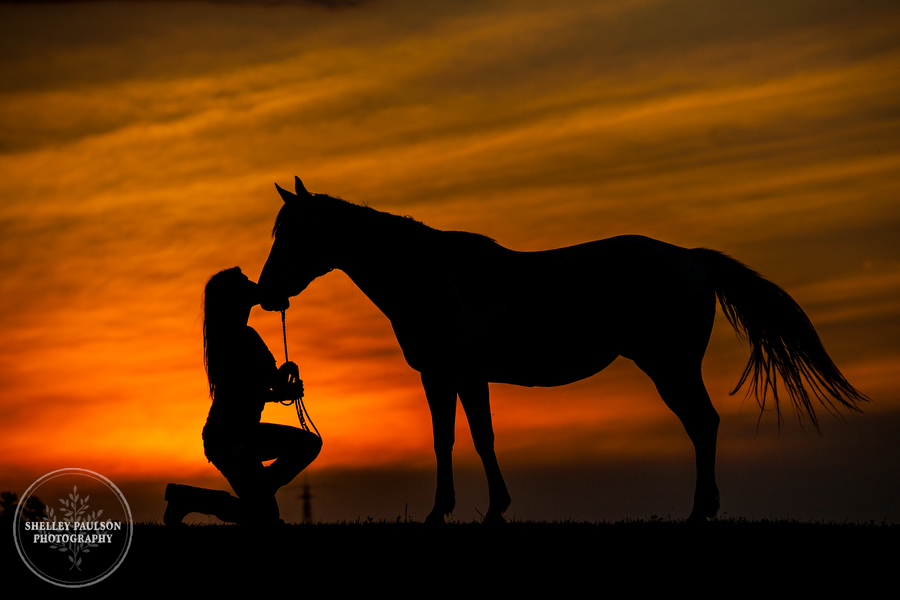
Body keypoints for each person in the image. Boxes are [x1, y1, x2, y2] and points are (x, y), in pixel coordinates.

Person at [165, 267, 321, 527]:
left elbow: (269, 383)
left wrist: (285, 379)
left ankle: (189, 497)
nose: (252, 283)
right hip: (231, 441)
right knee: (266, 513)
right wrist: (283, 391)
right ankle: (192, 497)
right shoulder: (237, 340)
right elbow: (253, 390)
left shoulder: (242, 337)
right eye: (244, 282)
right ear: (235, 298)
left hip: (240, 437)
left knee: (266, 511)